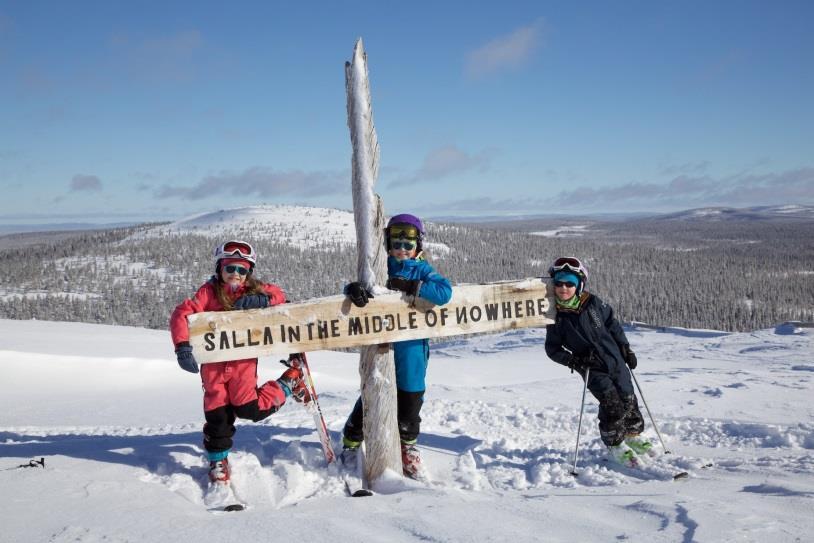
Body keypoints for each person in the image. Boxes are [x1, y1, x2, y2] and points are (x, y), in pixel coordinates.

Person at [169, 240, 308, 485]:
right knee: (218, 415)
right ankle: (218, 460)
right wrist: (182, 346)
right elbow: (183, 312)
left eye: (242, 270)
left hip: (242, 365)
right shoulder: (209, 292)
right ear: (220, 269)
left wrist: (263, 300)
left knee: (249, 409)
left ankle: (289, 382)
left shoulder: (253, 290)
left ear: (248, 273)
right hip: (213, 367)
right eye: (230, 268)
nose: (236, 274)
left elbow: (280, 296)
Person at [341, 213, 453, 479]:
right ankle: (351, 441)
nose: (402, 250)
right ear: (388, 244)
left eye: (408, 245)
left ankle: (408, 446)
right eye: (397, 244)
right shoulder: (379, 266)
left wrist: (415, 285)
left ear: (418, 246)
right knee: (374, 390)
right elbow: (357, 288)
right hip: (382, 344)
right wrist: (352, 289)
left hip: (412, 347)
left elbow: (444, 292)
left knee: (411, 396)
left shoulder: (421, 269)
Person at [543, 256, 651, 466]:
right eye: (559, 284)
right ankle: (615, 444)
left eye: (569, 284)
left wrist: (625, 348)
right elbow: (552, 349)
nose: (563, 288)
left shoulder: (592, 303)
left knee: (628, 397)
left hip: (615, 359)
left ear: (579, 285)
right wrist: (575, 361)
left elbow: (612, 324)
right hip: (591, 367)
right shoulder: (556, 316)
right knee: (612, 404)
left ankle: (632, 435)